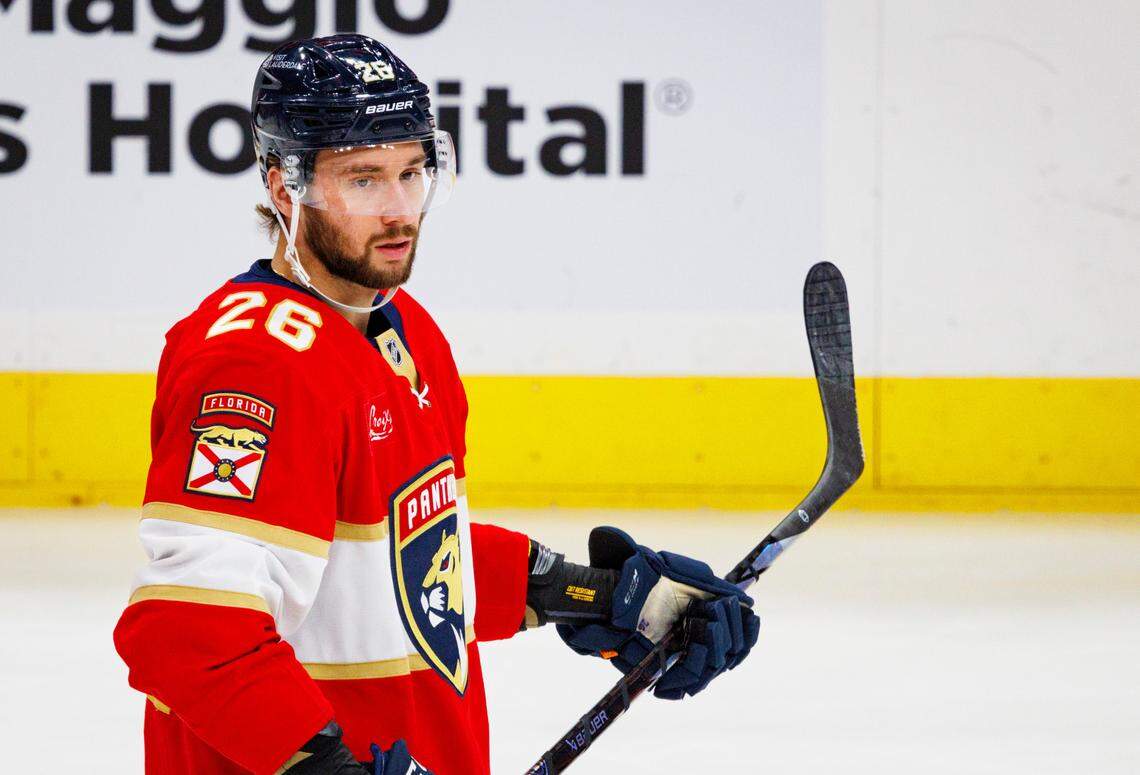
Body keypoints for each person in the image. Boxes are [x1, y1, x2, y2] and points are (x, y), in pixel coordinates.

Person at [113, 34, 760, 775]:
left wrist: (590, 595)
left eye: (412, 171)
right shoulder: (256, 360)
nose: (398, 210)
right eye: (363, 180)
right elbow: (190, 630)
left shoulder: (402, 327)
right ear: (285, 187)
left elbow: (398, 566)